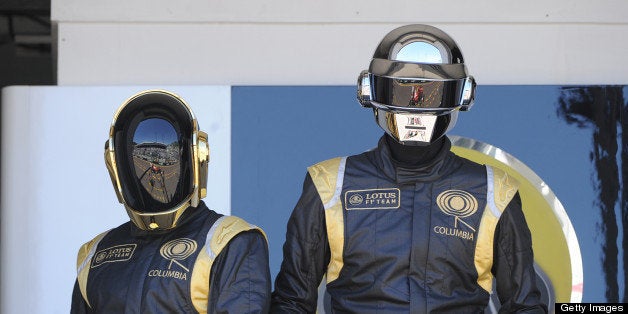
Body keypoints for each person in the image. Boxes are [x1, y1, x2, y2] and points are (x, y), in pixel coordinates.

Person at [271, 24, 547, 313]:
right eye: (403, 91)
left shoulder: (494, 191)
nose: (416, 104)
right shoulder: (329, 184)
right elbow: (292, 303)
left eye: (430, 93)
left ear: (461, 96)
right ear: (371, 91)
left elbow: (524, 306)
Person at [71, 89, 271, 313]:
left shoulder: (228, 242)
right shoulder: (95, 254)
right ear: (117, 166)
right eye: (140, 160)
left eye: (169, 159)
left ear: (195, 159)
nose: (154, 168)